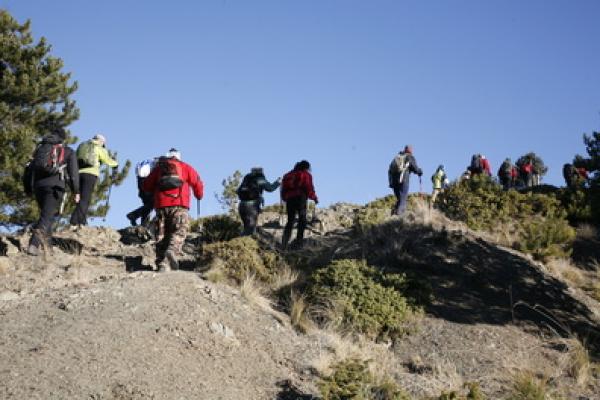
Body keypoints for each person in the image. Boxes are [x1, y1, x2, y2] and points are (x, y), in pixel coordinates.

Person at [143, 148, 204, 272]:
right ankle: (171, 251)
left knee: (161, 235)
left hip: (161, 206)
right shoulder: (186, 167)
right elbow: (198, 183)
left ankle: (162, 264)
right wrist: (199, 195)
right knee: (179, 231)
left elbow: (146, 186)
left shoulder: (158, 169)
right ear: (178, 157)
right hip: (180, 205)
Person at [26, 127, 80, 256]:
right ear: (63, 138)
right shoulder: (67, 151)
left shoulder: (40, 149)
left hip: (38, 187)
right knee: (46, 217)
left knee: (48, 217)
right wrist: (76, 191)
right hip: (55, 187)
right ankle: (33, 244)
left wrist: (28, 188)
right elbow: (73, 174)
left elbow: (29, 169)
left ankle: (48, 248)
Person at [69, 134, 119, 227]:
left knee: (79, 198)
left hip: (78, 173)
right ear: (101, 142)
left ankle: (82, 220)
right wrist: (116, 164)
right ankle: (74, 220)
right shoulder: (98, 147)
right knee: (85, 199)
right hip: (90, 174)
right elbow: (107, 160)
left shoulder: (82, 145)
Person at [281, 160, 318, 249]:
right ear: (306, 167)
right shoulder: (306, 175)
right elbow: (309, 187)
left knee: (290, 220)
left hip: (289, 199)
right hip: (300, 198)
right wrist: (314, 198)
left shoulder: (288, 175)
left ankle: (284, 242)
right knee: (302, 220)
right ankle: (298, 242)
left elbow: (283, 188)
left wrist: (284, 198)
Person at [237, 167, 280, 236]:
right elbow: (270, 188)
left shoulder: (246, 179)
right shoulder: (260, 179)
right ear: (261, 172)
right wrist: (278, 182)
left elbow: (238, 190)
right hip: (252, 206)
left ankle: (242, 243)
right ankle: (246, 244)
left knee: (246, 227)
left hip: (242, 205)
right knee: (251, 228)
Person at [388, 145, 422, 215]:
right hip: (403, 179)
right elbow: (415, 168)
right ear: (410, 150)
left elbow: (390, 170)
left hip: (394, 181)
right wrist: (419, 171)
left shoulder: (397, 157)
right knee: (403, 199)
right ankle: (399, 217)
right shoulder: (409, 156)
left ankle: (393, 215)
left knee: (399, 199)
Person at [126, 158, 156, 227]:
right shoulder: (154, 165)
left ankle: (144, 225)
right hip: (147, 185)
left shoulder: (144, 164)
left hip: (141, 185)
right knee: (152, 204)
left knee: (148, 206)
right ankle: (134, 215)